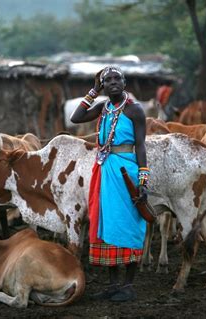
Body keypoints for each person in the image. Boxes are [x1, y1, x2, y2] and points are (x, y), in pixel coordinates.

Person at [70, 66, 149, 302]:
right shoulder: (103, 108)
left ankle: (129, 285)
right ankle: (114, 285)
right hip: (104, 171)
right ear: (103, 85)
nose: (113, 82)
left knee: (130, 224)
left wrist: (143, 181)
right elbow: (75, 118)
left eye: (117, 79)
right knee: (107, 223)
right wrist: (93, 91)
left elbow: (141, 146)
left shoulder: (135, 110)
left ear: (124, 83)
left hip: (126, 171)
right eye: (107, 80)